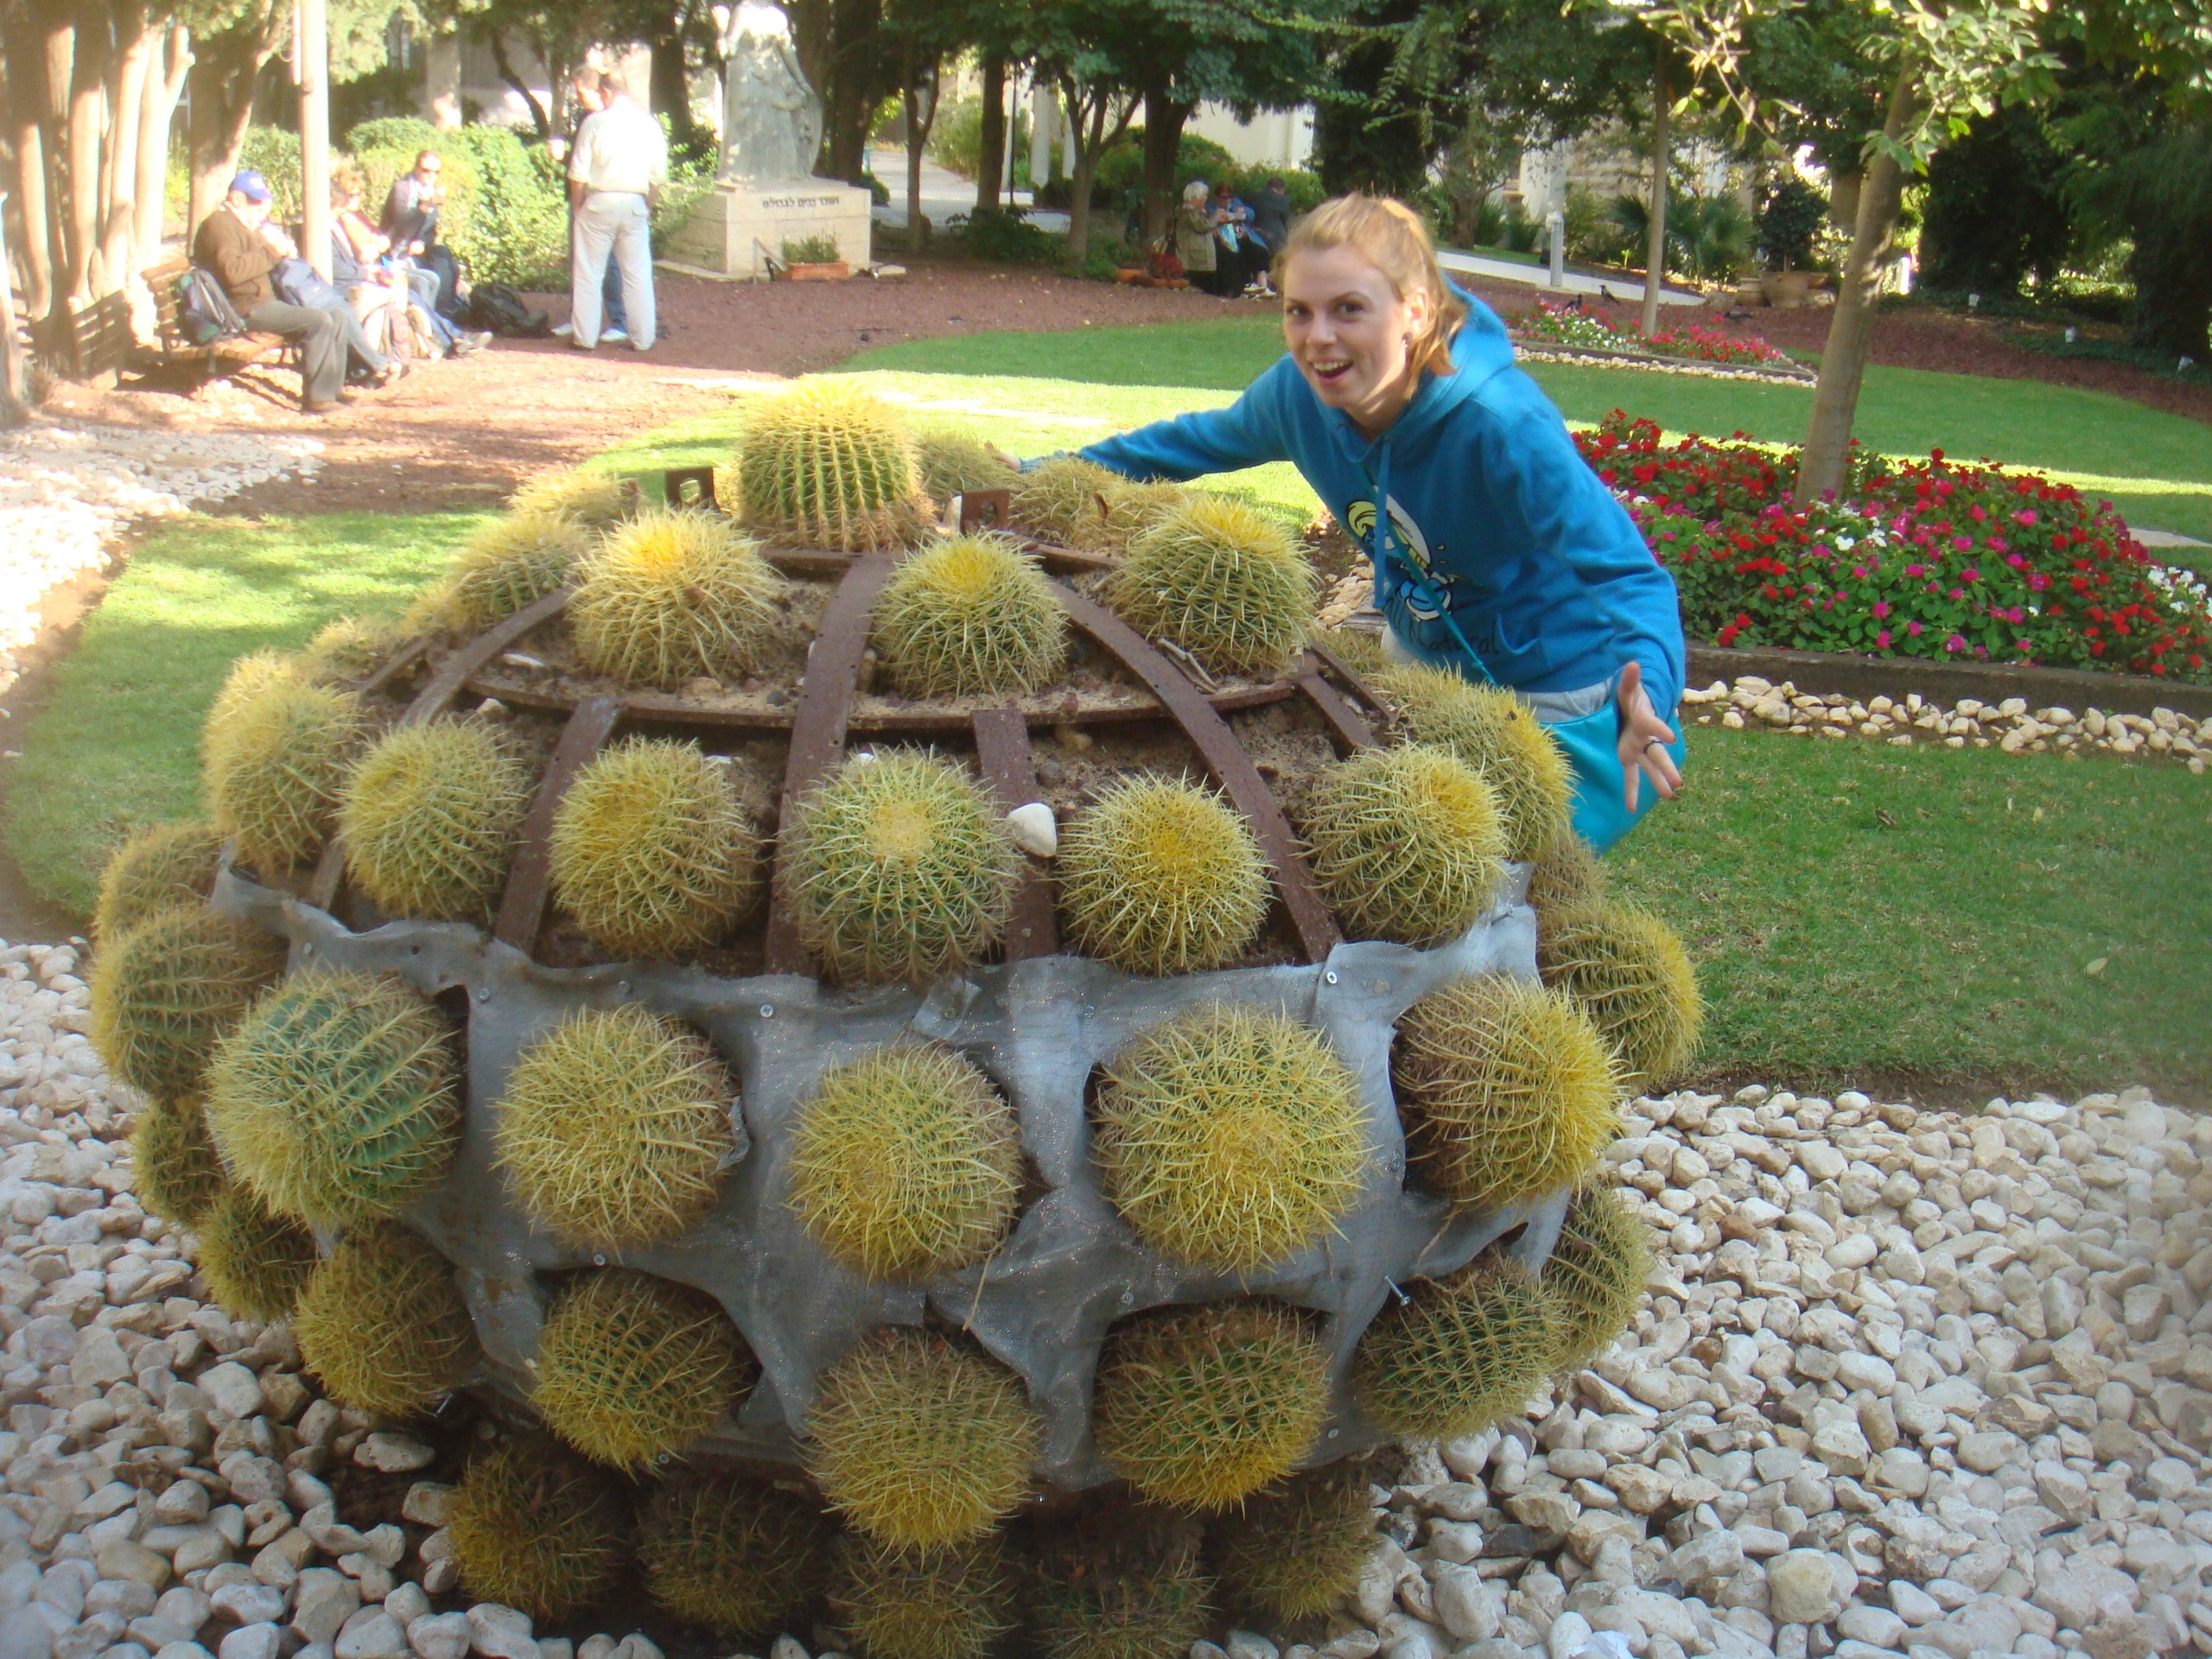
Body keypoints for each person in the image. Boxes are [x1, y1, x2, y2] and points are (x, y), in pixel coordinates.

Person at [1058, 194, 1684, 851]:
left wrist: (1650, 690)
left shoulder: (1503, 424)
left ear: (1415, 310)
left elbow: (1630, 575)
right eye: (1298, 311)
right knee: (1398, 863)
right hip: (1424, 662)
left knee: (1507, 886)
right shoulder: (1296, 396)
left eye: (1348, 309)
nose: (1317, 338)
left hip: (1550, 687)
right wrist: (1048, 470)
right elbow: (1186, 444)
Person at [191, 170, 346, 413]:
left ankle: (331, 389)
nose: (261, 206)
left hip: (262, 301)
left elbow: (261, 259)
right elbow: (232, 272)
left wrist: (280, 250)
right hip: (242, 309)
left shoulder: (246, 224)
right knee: (318, 321)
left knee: (337, 314)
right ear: (236, 198)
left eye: (263, 200)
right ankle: (318, 399)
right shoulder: (219, 226)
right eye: (254, 201)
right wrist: (274, 252)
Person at [334, 166, 489, 359]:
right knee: (417, 287)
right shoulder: (343, 221)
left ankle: (448, 338)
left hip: (382, 265)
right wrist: (374, 248)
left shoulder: (359, 217)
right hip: (369, 272)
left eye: (359, 194)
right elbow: (359, 255)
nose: (356, 198)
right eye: (351, 195)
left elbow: (384, 237)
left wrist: (380, 240)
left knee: (424, 283)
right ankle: (446, 340)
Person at [567, 67, 667, 352]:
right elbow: (658, 176)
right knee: (637, 274)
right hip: (635, 201)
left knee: (588, 273)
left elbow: (578, 174)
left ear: (606, 92)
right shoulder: (649, 124)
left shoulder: (594, 123)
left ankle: (584, 337)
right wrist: (646, 206)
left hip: (600, 200)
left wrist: (578, 207)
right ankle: (643, 338)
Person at [552, 71, 628, 344]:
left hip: (597, 200)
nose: (579, 98)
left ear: (598, 91)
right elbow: (578, 163)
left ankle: (619, 320)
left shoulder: (606, 123)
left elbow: (592, 167)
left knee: (609, 264)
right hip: (583, 199)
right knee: (580, 262)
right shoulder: (588, 120)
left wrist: (579, 204)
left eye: (582, 92)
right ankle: (580, 318)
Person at [381, 151, 462, 320]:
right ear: (416, 168)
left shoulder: (433, 192)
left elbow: (431, 230)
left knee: (445, 259)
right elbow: (402, 225)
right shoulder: (403, 189)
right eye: (426, 171)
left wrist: (422, 242)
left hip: (416, 249)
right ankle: (435, 317)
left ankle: (448, 310)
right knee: (431, 277)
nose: (431, 176)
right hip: (396, 250)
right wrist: (425, 207)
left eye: (436, 172)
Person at [1211, 180, 1269, 296]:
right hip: (1224, 239)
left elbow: (1251, 214)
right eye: (1224, 197)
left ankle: (1262, 285)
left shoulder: (1235, 203)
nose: (1227, 200)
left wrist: (1243, 212)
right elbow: (1211, 222)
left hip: (1239, 236)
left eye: (1229, 197)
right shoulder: (1212, 207)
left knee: (1259, 251)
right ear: (1217, 197)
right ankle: (1246, 288)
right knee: (1236, 255)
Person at [1174, 181, 1224, 296]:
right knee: (1203, 292)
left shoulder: (1198, 211)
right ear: (1195, 197)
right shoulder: (1188, 211)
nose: (1205, 198)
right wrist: (1216, 217)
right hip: (1195, 262)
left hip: (1202, 261)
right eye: (1203, 196)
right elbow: (1202, 226)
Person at [1249, 176, 1294, 256]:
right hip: (1275, 238)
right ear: (1280, 189)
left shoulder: (1253, 196)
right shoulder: (1282, 200)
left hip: (1255, 236)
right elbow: (1288, 220)